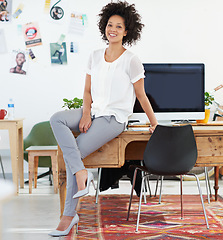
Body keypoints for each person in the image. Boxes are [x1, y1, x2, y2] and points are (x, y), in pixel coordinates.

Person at [48, 1, 158, 237]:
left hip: (114, 119)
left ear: (127, 31)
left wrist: (154, 122)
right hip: (94, 111)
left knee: (74, 152)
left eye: (119, 26)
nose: (113, 30)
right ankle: (81, 174)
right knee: (57, 119)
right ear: (104, 27)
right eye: (110, 25)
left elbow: (141, 95)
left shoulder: (131, 60)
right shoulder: (95, 56)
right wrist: (86, 113)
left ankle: (68, 216)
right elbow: (87, 91)